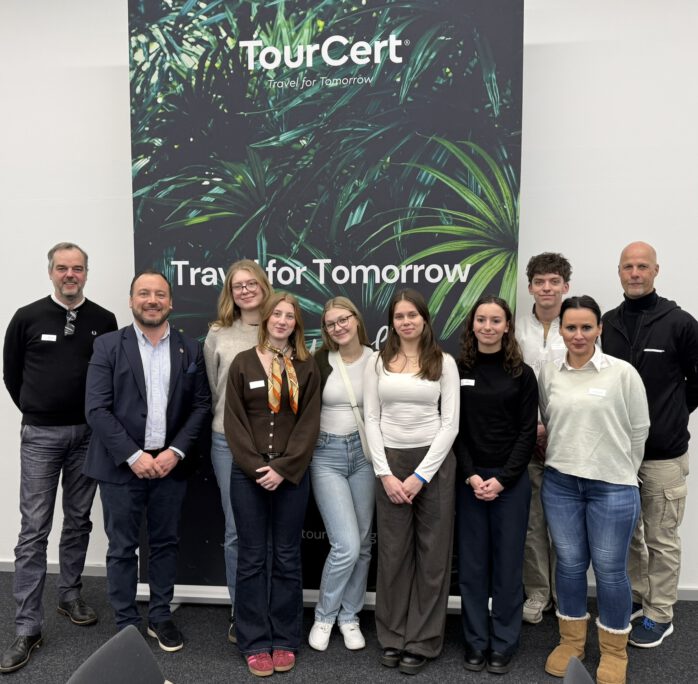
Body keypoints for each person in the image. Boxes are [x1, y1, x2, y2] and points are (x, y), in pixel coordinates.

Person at [0, 243, 118, 674]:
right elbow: (11, 374)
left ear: (86, 273)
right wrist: (40, 411)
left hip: (88, 436)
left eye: (78, 268)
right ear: (50, 272)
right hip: (41, 436)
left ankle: (70, 594)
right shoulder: (27, 317)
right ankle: (27, 627)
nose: (71, 274)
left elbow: (110, 376)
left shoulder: (104, 320)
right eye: (63, 268)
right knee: (34, 529)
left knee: (79, 519)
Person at [83, 270, 211, 652]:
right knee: (122, 548)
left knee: (166, 543)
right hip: (120, 465)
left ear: (170, 302)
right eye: (143, 293)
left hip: (170, 465)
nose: (152, 300)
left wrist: (175, 452)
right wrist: (134, 455)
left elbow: (201, 405)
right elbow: (96, 408)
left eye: (159, 294)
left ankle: (160, 617)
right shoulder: (108, 345)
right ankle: (126, 622)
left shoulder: (191, 348)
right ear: (131, 300)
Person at [539, 296, 650, 684]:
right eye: (571, 327)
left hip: (612, 488)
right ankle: (571, 642)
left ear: (599, 329)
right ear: (561, 330)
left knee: (609, 570)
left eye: (587, 327)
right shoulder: (549, 373)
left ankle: (614, 650)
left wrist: (620, 471)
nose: (578, 335)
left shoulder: (622, 373)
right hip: (561, 485)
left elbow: (639, 430)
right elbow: (548, 420)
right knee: (569, 565)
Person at [601, 241, 698, 649]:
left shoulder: (680, 323)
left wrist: (672, 414)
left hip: (662, 454)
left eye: (642, 266)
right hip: (619, 454)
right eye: (628, 266)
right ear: (619, 272)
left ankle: (660, 614)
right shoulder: (608, 322)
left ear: (656, 270)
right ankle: (641, 598)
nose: (635, 273)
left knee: (661, 537)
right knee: (628, 536)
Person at [224, 292, 321, 677]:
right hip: (248, 475)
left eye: (289, 316)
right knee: (251, 558)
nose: (282, 320)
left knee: (286, 556)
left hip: (291, 475)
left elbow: (309, 423)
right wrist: (256, 467)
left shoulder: (307, 366)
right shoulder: (243, 362)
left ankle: (284, 638)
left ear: (296, 323)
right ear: (265, 319)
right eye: (276, 314)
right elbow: (233, 421)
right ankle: (253, 640)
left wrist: (283, 468)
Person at [363, 288, 459, 676]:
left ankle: (422, 640)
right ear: (392, 322)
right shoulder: (377, 362)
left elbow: (450, 424)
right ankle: (392, 636)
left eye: (412, 315)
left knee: (433, 556)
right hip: (389, 463)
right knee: (393, 555)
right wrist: (385, 473)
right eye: (399, 316)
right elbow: (371, 419)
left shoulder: (444, 362)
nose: (406, 322)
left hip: (433, 464)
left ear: (424, 319)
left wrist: (421, 476)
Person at [455, 295, 538, 675]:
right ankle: (475, 641)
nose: (487, 327)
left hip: (510, 483)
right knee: (472, 567)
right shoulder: (457, 369)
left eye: (495, 320)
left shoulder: (522, 373)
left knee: (507, 566)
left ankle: (503, 642)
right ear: (472, 325)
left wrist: (503, 479)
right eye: (481, 320)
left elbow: (527, 432)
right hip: (470, 480)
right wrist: (471, 474)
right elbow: (454, 428)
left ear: (507, 327)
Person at [204, 259, 272, 643]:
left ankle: (269, 608)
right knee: (236, 531)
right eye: (237, 286)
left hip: (274, 448)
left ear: (263, 286)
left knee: (272, 531)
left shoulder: (281, 326)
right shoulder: (218, 334)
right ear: (230, 292)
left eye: (251, 283)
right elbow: (213, 390)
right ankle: (241, 610)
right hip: (227, 442)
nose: (245, 290)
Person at [308, 297, 374, 652]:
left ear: (356, 319)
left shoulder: (378, 360)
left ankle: (350, 617)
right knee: (345, 544)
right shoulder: (319, 359)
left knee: (362, 544)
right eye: (331, 323)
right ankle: (324, 615)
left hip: (364, 456)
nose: (338, 327)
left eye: (343, 319)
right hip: (326, 455)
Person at [516, 252, 571, 625]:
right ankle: (538, 593)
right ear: (530, 287)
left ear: (565, 286)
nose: (546, 288)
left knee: (567, 524)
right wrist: (532, 427)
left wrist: (555, 427)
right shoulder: (517, 330)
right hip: (526, 439)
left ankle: (567, 594)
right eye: (540, 282)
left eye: (554, 281)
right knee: (533, 522)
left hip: (568, 439)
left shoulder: (579, 325)